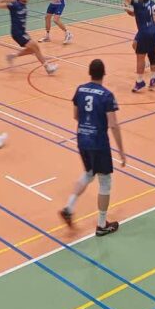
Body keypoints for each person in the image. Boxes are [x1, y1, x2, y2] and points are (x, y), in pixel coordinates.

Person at [59, 59, 126, 237]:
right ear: (104, 74)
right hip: (98, 142)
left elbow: (76, 116)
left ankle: (69, 207)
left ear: (89, 73)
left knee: (89, 173)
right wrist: (121, 151)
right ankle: (102, 224)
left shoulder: (80, 90)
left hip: (82, 139)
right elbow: (113, 125)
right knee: (105, 182)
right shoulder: (107, 95)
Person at [0, 0, 58, 74]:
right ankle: (48, 68)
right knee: (35, 47)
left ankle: (13, 56)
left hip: (23, 32)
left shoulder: (21, 2)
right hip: (17, 33)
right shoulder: (14, 5)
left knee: (33, 49)